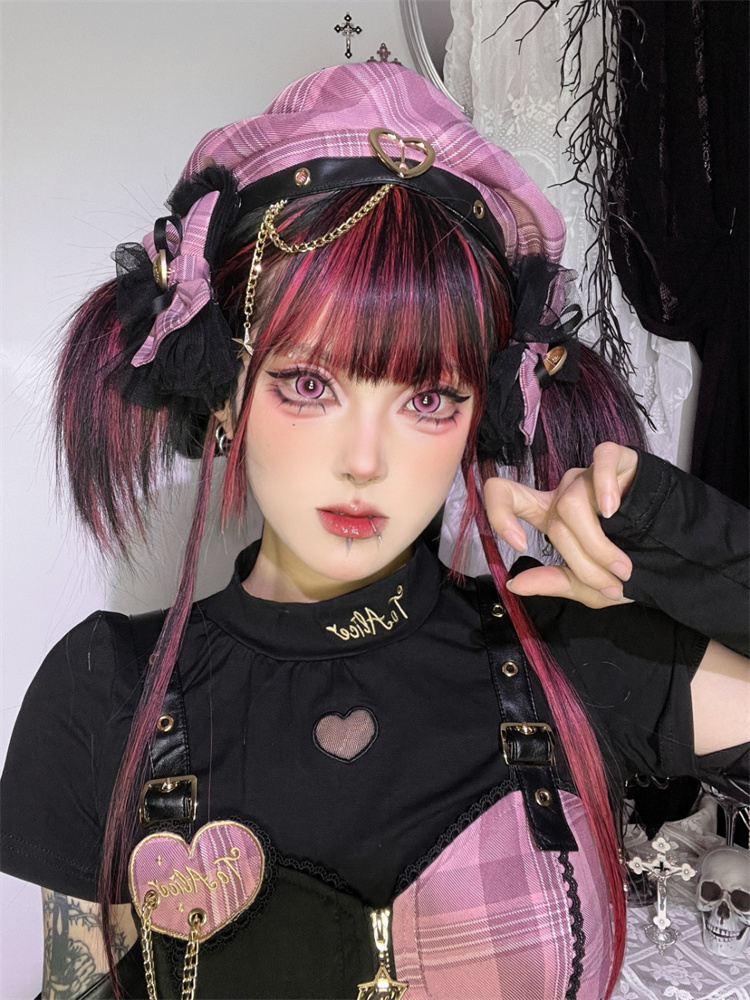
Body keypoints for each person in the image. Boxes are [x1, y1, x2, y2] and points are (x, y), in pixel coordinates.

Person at [1, 62, 747, 1000]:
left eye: (429, 398)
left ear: (480, 414)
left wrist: (679, 534)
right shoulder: (104, 690)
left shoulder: (572, 652)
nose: (366, 460)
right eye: (308, 383)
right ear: (224, 389)